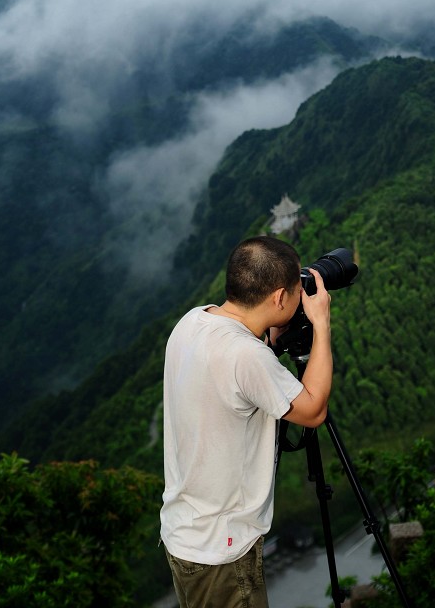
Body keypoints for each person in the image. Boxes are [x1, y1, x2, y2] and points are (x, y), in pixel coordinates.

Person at [160, 234, 332, 608]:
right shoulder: (246, 356)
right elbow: (313, 410)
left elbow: (231, 377)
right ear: (279, 298)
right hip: (222, 551)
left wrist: (269, 339)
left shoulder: (193, 321)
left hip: (186, 532)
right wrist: (321, 324)